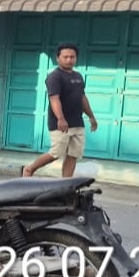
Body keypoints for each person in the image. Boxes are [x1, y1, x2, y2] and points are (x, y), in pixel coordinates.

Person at [24, 43, 97, 178]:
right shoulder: (55, 77)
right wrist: (60, 118)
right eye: (65, 57)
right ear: (58, 58)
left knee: (73, 155)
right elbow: (54, 99)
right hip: (61, 123)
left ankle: (65, 183)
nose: (69, 60)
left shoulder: (78, 76)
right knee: (56, 153)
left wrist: (91, 116)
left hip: (77, 122)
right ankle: (29, 169)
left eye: (72, 57)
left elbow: (82, 98)